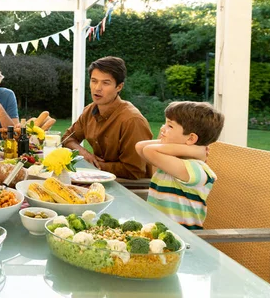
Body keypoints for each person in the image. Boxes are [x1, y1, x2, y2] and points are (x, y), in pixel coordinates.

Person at [135, 101, 224, 229]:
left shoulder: (196, 170)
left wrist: (195, 150)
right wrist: (195, 149)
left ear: (191, 138)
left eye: (170, 126)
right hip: (157, 233)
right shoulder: (171, 160)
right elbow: (140, 147)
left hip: (183, 239)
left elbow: (148, 150)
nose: (162, 129)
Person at [62, 56, 154, 179]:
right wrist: (85, 154)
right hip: (101, 178)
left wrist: (96, 165)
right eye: (94, 81)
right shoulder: (90, 110)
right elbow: (67, 139)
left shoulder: (132, 120)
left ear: (119, 87)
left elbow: (134, 171)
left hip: (132, 187)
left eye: (105, 83)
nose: (97, 88)